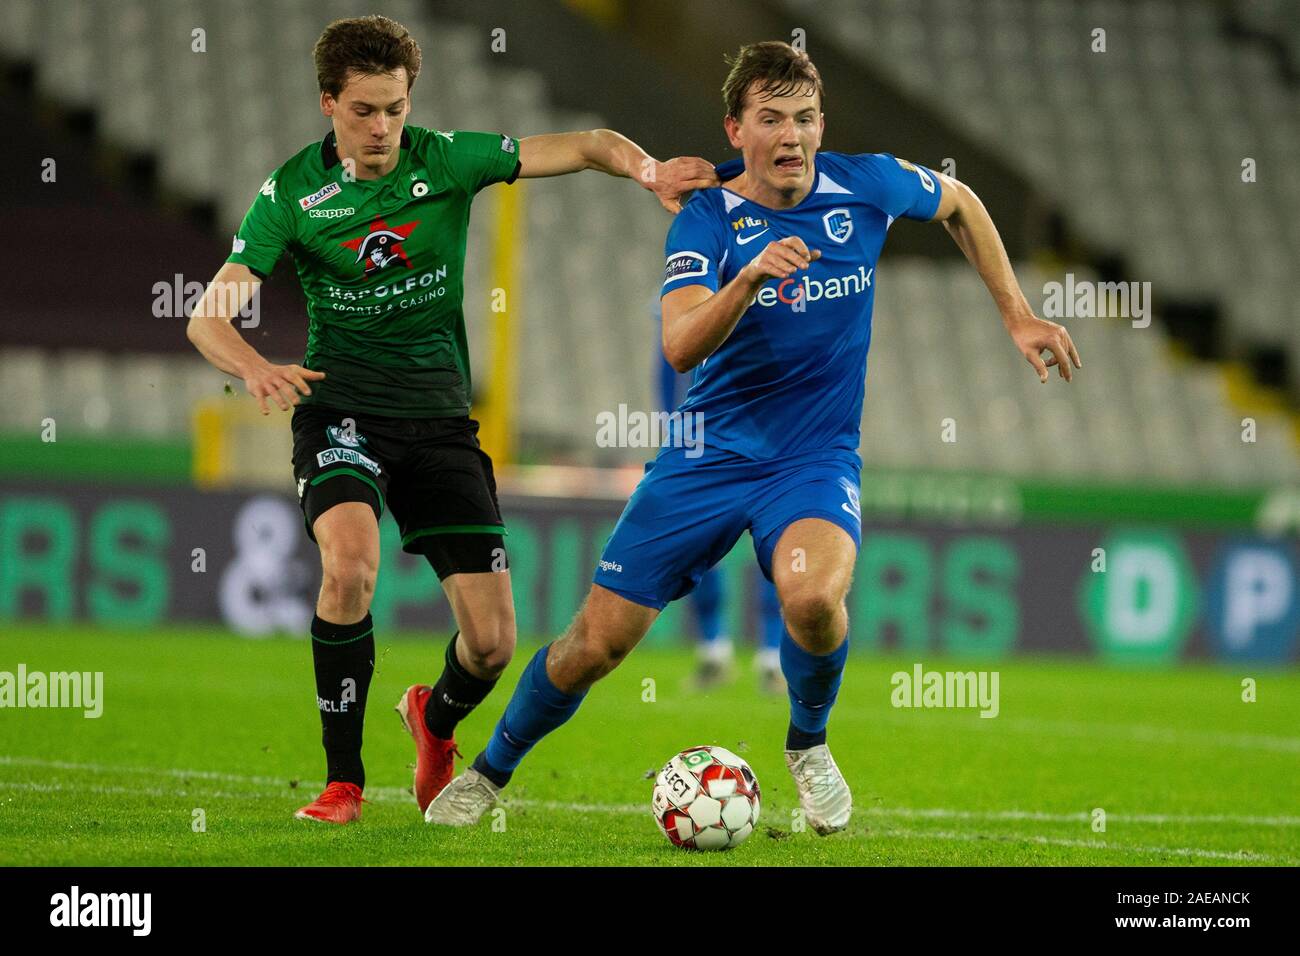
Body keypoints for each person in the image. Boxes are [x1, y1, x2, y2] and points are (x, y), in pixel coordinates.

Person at [427, 40, 1079, 834]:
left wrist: (1015, 311)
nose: (793, 135)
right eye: (772, 119)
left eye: (805, 117)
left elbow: (962, 202)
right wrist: (747, 279)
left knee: (812, 597)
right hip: (705, 459)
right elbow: (679, 345)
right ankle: (489, 774)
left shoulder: (865, 182)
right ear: (735, 130)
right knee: (592, 646)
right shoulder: (708, 218)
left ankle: (808, 745)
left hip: (812, 459)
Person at [184, 15, 717, 824]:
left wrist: (646, 171)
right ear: (328, 102)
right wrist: (254, 365)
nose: (382, 127)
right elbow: (206, 317)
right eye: (364, 109)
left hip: (438, 421)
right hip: (342, 411)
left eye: (395, 108)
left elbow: (585, 142)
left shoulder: (447, 159)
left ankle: (431, 722)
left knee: (495, 645)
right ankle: (343, 782)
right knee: (350, 565)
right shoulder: (290, 192)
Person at [653, 300, 785, 693]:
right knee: (700, 554)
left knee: (777, 553)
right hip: (706, 444)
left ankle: (773, 658)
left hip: (768, 443)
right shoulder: (692, 284)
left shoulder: (771, 291)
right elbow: (667, 367)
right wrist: (675, 431)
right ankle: (714, 651)